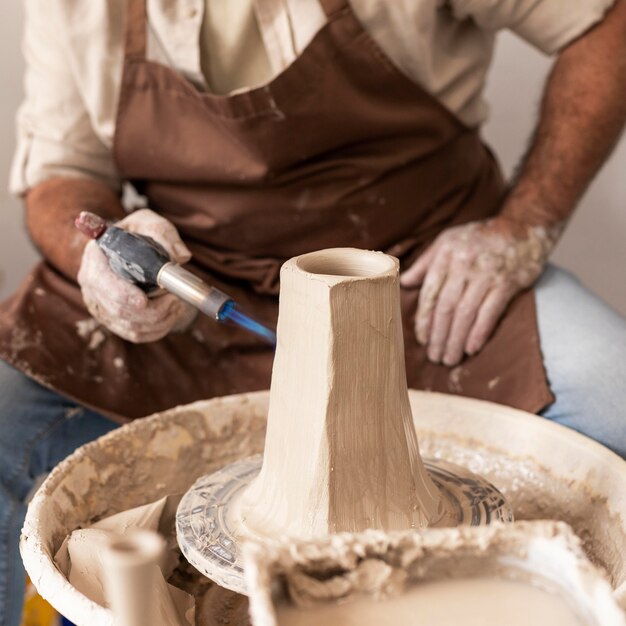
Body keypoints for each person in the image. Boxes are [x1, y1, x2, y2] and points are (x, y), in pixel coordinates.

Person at [2, 0, 626, 623]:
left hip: (422, 275)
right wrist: (105, 259)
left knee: (614, 400)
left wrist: (519, 228)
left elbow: (605, 24)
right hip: (193, 286)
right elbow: (63, 173)